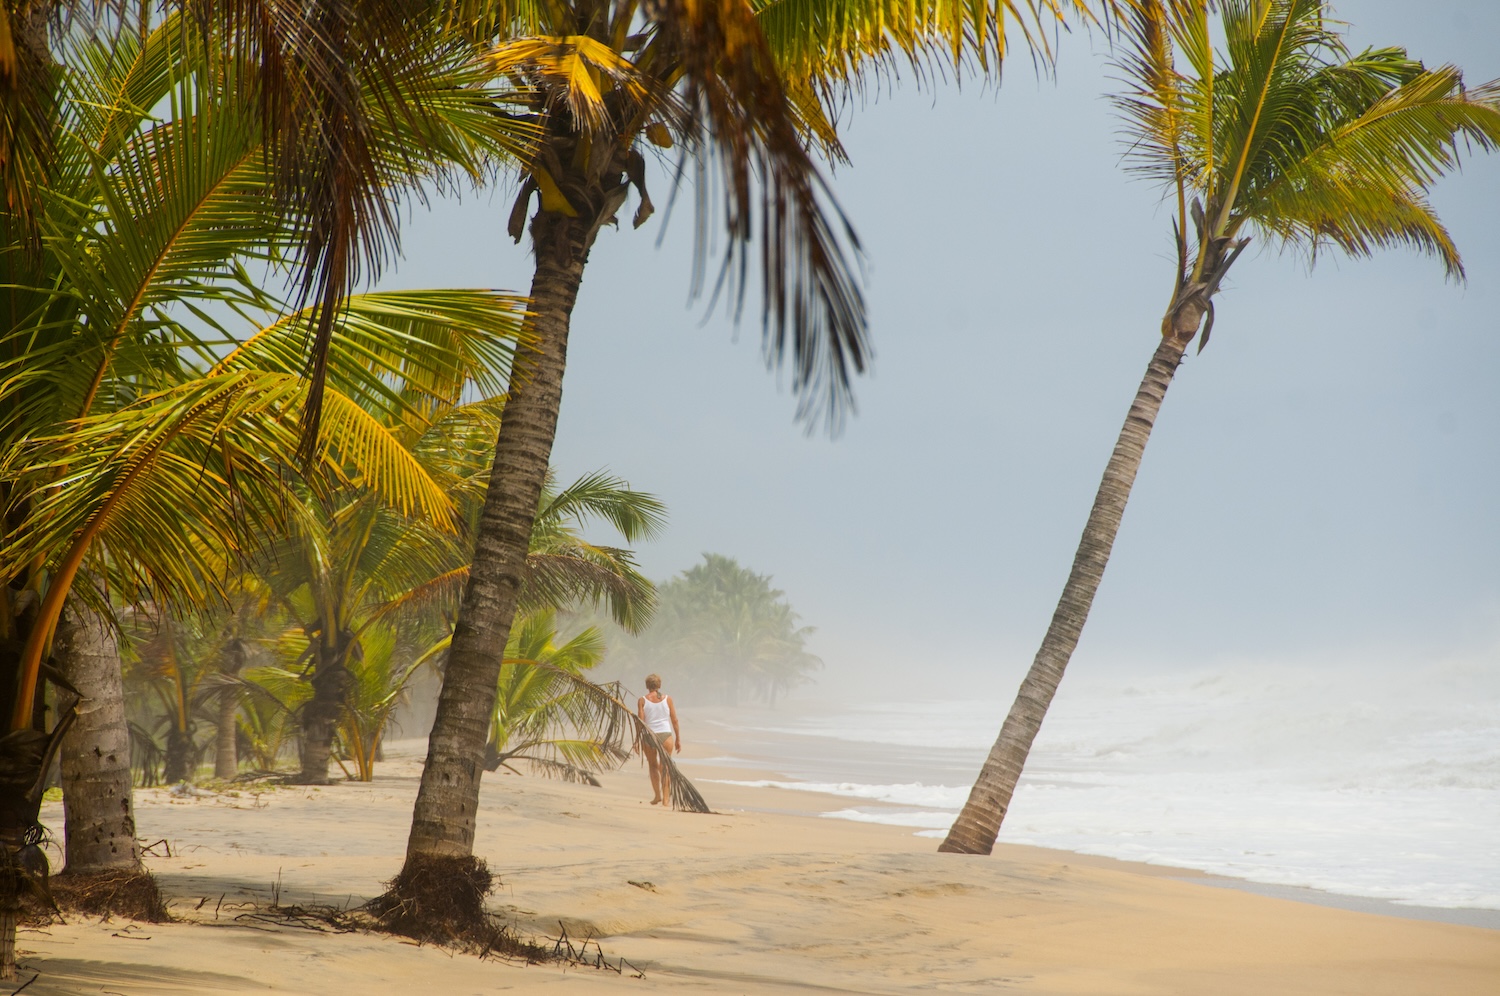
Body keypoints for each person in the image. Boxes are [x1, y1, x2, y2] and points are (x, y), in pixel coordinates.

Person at [637, 674, 681, 806]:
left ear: (647, 686)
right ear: (659, 685)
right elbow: (674, 720)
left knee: (653, 765)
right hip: (665, 736)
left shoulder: (642, 700)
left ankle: (657, 796)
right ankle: (666, 799)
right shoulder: (668, 699)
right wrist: (678, 738)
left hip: (649, 736)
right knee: (665, 767)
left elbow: (640, 722)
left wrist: (636, 740)